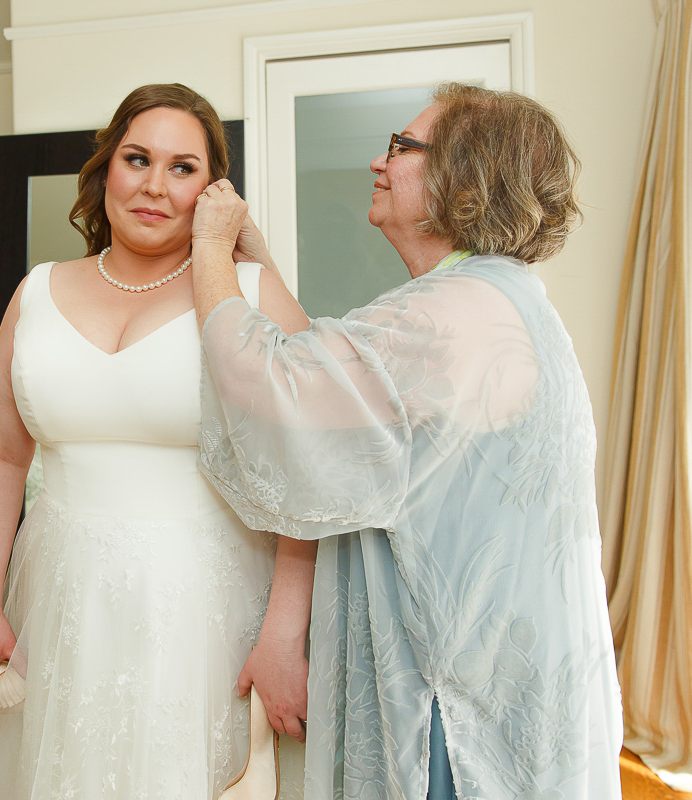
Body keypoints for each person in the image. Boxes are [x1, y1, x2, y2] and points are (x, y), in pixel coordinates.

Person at [190, 83, 623, 799]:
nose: (377, 162)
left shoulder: (447, 316)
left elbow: (267, 386)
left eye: (402, 147)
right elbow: (350, 386)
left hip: (458, 707)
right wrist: (256, 260)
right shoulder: (499, 295)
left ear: (463, 175)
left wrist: (209, 247)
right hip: (514, 676)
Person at [0, 84, 313, 798]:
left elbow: (309, 476)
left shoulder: (250, 291)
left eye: (183, 167)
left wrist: (283, 634)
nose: (155, 185)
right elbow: (1, 455)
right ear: (105, 172)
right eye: (137, 158)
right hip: (61, 603)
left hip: (202, 613)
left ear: (213, 192)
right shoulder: (35, 292)